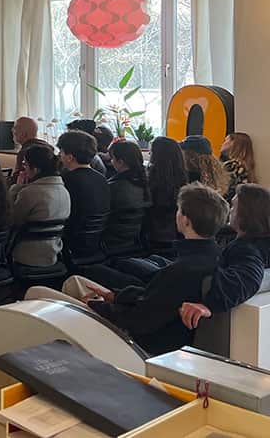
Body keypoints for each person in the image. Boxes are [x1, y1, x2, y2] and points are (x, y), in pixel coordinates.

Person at [29, 184, 228, 356]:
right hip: (148, 322)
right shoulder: (214, 258)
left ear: (186, 220)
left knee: (36, 293)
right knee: (75, 282)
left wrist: (97, 306)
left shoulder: (182, 269)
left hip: (138, 344)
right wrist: (114, 296)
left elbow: (140, 320)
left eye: (179, 210)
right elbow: (156, 301)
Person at [180, 183, 270, 329]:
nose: (230, 210)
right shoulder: (260, 243)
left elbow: (250, 276)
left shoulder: (246, 249)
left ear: (246, 215)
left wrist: (209, 305)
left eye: (234, 207)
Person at [10, 144, 71, 267]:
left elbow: (11, 220)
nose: (24, 168)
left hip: (26, 254)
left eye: (25, 164)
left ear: (35, 169)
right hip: (54, 252)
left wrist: (16, 187)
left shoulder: (29, 192)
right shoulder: (64, 191)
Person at [58, 130, 110, 254]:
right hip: (96, 241)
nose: (59, 155)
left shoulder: (66, 180)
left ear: (70, 157)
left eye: (61, 152)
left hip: (71, 243)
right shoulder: (102, 179)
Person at [103, 140, 150, 251]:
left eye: (112, 158)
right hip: (136, 239)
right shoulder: (146, 182)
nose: (111, 162)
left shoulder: (113, 187)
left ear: (121, 162)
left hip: (111, 240)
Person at [147, 136, 190, 251]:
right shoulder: (184, 179)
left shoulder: (151, 181)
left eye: (151, 152)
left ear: (157, 156)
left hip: (152, 238)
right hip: (177, 236)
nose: (149, 155)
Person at [10, 116, 48, 184]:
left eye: (15, 128)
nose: (12, 130)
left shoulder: (26, 152)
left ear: (24, 133)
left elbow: (17, 179)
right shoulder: (47, 147)